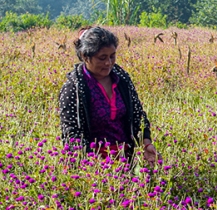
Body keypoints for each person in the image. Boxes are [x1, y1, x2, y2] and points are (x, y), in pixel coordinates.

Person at [58, 26, 157, 165]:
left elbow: (138, 115)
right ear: (85, 57)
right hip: (93, 165)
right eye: (102, 58)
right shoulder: (73, 88)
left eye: (112, 56)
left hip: (126, 159)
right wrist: (93, 166)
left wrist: (146, 143)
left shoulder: (122, 79)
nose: (108, 63)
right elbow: (71, 134)